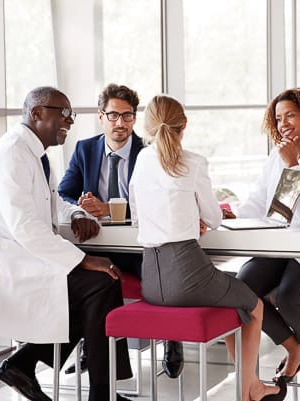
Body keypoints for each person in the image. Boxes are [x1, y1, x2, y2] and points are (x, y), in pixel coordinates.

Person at [0, 86, 132, 401]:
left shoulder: (34, 153)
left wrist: (75, 213)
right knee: (101, 282)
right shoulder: (12, 153)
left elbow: (54, 199)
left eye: (71, 116)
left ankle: (30, 364)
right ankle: (94, 391)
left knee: (103, 282)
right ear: (36, 114)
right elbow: (24, 225)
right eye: (64, 114)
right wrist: (81, 259)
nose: (70, 122)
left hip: (22, 259)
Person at [129, 95, 286, 401]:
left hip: (152, 280)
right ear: (184, 126)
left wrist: (185, 217)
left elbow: (139, 214)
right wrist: (197, 218)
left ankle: (248, 382)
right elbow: (213, 218)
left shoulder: (141, 160)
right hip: (187, 274)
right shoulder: (194, 162)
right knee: (254, 305)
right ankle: (250, 388)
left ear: (146, 128)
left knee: (230, 301)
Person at [57, 83, 183, 378]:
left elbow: (163, 201)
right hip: (99, 245)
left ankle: (172, 338)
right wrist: (81, 206)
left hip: (141, 246)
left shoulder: (150, 151)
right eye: (113, 116)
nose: (120, 123)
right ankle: (93, 343)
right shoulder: (85, 149)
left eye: (127, 116)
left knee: (160, 277)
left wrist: (114, 209)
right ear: (101, 117)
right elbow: (62, 193)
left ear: (135, 119)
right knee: (77, 274)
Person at [234, 87, 300, 383]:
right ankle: (297, 348)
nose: (284, 124)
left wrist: (292, 165)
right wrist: (234, 215)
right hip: (277, 243)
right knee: (243, 289)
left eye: (290, 115)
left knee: (289, 294)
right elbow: (259, 200)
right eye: (279, 118)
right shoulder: (276, 156)